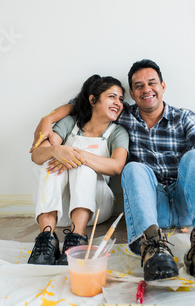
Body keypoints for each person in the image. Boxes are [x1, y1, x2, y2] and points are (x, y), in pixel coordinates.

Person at [30, 59, 195, 281]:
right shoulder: (122, 115)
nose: (146, 89)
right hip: (151, 207)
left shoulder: (184, 117)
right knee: (133, 168)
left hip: (185, 202)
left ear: (163, 86)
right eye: (139, 86)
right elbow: (83, 103)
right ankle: (152, 246)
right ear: (133, 92)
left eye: (152, 83)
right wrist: (48, 119)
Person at [29, 75, 129, 266]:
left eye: (121, 99)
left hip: (97, 207)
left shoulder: (117, 132)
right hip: (60, 210)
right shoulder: (69, 123)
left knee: (83, 166)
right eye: (112, 97)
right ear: (93, 100)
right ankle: (46, 239)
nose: (118, 103)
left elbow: (116, 166)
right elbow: (36, 155)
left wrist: (76, 155)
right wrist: (57, 150)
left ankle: (77, 238)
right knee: (50, 164)